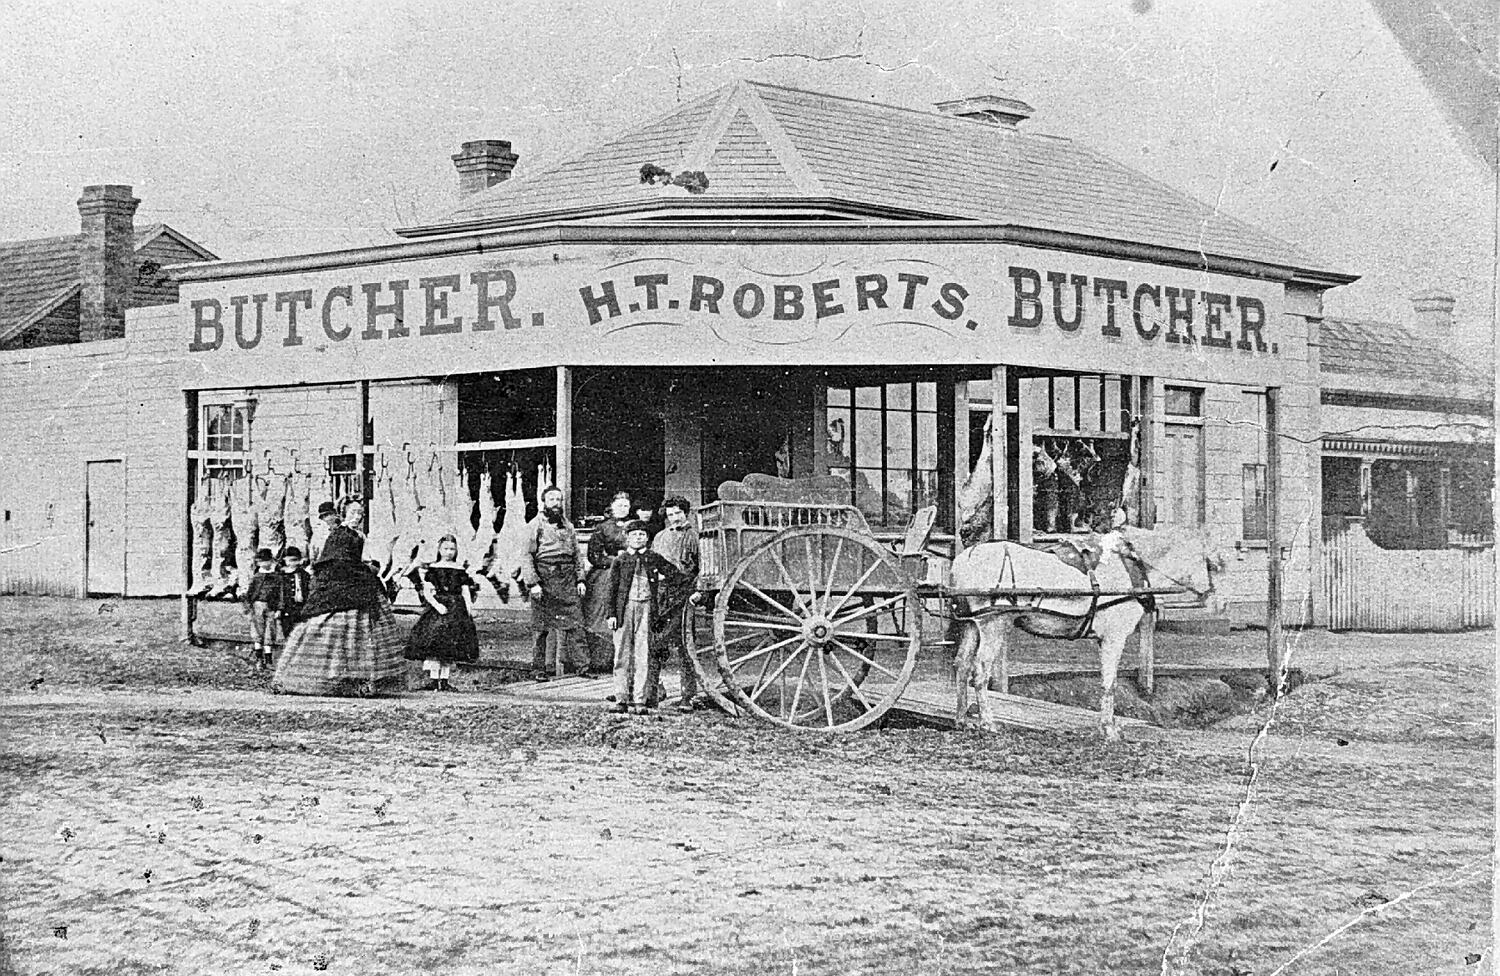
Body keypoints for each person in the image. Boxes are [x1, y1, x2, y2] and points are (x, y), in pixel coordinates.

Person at [272, 496, 408, 697]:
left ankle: (359, 680)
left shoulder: (358, 535)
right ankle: (310, 679)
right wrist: (365, 569)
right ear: (343, 514)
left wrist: (370, 567)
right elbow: (337, 562)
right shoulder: (339, 535)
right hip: (340, 585)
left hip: (358, 584)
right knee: (330, 628)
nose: (357, 517)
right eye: (353, 513)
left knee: (364, 634)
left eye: (360, 514)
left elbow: (361, 559)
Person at [606, 520, 681, 715]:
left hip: (647, 609)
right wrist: (611, 614)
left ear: (647, 538)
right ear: (627, 538)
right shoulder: (620, 560)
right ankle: (621, 698)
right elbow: (611, 590)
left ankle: (640, 700)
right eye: (634, 534)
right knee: (621, 656)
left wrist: (663, 580)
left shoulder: (653, 557)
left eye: (642, 534)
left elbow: (675, 574)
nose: (638, 538)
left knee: (643, 656)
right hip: (624, 610)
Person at [518, 485, 589, 681]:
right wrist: (533, 583)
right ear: (544, 502)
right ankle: (539, 669)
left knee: (575, 625)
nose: (556, 503)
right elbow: (526, 556)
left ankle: (583, 668)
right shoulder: (535, 525)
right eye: (552, 500)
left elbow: (577, 555)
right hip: (545, 578)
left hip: (567, 579)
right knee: (541, 628)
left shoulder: (569, 527)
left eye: (559, 499)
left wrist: (580, 579)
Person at [404, 534, 480, 691]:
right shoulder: (434, 568)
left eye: (452, 549)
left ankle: (444, 680)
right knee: (435, 642)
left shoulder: (460, 570)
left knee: (450, 644)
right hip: (438, 608)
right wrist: (436, 605)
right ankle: (433, 680)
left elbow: (465, 592)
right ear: (439, 549)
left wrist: (468, 610)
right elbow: (427, 591)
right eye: (445, 548)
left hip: (456, 608)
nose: (449, 552)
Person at [651, 496, 703, 712]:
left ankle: (687, 695)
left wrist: (699, 591)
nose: (675, 518)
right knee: (655, 642)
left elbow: (703, 567)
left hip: (683, 594)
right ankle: (653, 690)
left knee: (684, 645)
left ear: (686, 513)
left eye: (678, 513)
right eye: (671, 514)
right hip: (661, 594)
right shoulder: (660, 537)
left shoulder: (695, 537)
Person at [582, 492, 633, 672]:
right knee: (601, 615)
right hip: (606, 575)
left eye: (626, 506)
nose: (623, 509)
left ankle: (624, 661)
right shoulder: (602, 528)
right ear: (611, 507)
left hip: (629, 573)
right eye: (619, 506)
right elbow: (594, 556)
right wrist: (615, 561)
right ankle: (601, 661)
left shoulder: (633, 526)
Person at [244, 548, 282, 669]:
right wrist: (248, 608)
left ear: (271, 561)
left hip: (271, 607)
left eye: (267, 561)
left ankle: (269, 660)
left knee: (269, 632)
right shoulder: (256, 577)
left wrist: (279, 609)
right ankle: (259, 659)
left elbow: (281, 594)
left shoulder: (277, 577)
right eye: (261, 561)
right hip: (257, 606)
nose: (265, 564)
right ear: (258, 563)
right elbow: (248, 594)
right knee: (257, 632)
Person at [278, 546, 312, 644]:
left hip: (300, 606)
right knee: (287, 631)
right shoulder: (281, 576)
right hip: (287, 607)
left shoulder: (304, 575)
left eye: (295, 560)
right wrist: (279, 608)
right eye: (289, 560)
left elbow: (308, 589)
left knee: (301, 630)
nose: (292, 563)